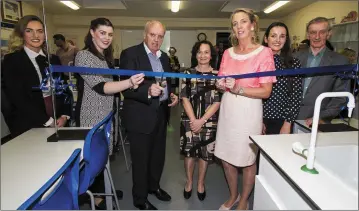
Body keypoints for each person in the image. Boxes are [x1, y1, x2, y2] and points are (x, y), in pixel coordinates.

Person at [74, 17, 144, 209]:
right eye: (102, 33)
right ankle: (96, 198)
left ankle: (102, 189)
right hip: (91, 115)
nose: (107, 37)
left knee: (103, 156)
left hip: (106, 113)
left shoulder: (104, 57)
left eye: (110, 34)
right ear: (92, 32)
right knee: (93, 158)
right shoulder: (84, 56)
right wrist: (130, 82)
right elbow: (100, 87)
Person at [214, 8, 276, 210]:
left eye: (243, 22)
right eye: (235, 23)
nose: (239, 26)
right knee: (226, 157)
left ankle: (244, 200)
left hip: (249, 112)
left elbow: (266, 91)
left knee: (247, 160)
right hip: (228, 110)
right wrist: (220, 85)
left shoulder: (264, 53)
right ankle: (233, 195)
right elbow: (221, 81)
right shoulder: (227, 53)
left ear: (252, 25)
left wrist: (239, 88)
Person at [119, 20, 179, 210]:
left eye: (160, 36)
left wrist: (171, 94)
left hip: (161, 113)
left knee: (158, 156)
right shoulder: (130, 54)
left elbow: (166, 82)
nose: (156, 39)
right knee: (141, 160)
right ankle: (140, 198)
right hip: (140, 116)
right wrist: (146, 91)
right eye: (153, 35)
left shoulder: (164, 58)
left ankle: (154, 187)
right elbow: (125, 88)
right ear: (145, 34)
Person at [2, 15, 70, 138]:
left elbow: (64, 89)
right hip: (28, 123)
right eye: (29, 31)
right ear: (22, 34)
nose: (36, 36)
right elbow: (18, 98)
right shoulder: (12, 60)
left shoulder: (53, 59)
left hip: (57, 121)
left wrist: (64, 115)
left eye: (40, 31)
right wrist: (48, 121)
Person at [180, 40, 220, 201]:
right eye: (199, 52)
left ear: (211, 55)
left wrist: (201, 121)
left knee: (205, 155)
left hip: (209, 121)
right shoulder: (187, 74)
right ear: (195, 55)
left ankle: (200, 183)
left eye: (206, 52)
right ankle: (189, 182)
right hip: (189, 120)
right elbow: (184, 97)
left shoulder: (218, 75)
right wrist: (194, 120)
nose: (202, 55)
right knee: (190, 154)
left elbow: (218, 101)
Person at [295, 17, 350, 126]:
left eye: (322, 32)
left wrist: (321, 117)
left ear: (329, 34)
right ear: (307, 35)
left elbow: (340, 97)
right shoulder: (295, 58)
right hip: (289, 118)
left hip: (318, 121)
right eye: (313, 32)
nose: (317, 36)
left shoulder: (340, 61)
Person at [262, 22, 302, 134]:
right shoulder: (257, 62)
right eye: (273, 36)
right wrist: (258, 120)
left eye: (282, 36)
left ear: (286, 39)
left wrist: (288, 123)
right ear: (266, 39)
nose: (277, 40)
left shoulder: (294, 63)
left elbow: (296, 95)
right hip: (258, 117)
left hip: (282, 120)